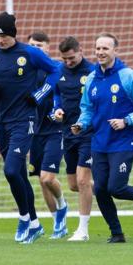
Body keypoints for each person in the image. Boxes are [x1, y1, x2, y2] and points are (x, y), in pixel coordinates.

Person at [0, 12, 59, 243]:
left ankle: (24, 217)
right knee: (19, 176)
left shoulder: (30, 53)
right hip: (1, 122)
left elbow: (55, 70)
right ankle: (34, 224)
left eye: (3, 35)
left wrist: (40, 93)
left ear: (12, 34)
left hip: (24, 120)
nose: (0, 40)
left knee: (11, 170)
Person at [72, 33, 133, 243]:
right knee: (100, 189)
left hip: (123, 141)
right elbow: (87, 108)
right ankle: (116, 233)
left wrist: (126, 121)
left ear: (115, 51)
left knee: (116, 188)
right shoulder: (91, 78)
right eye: (98, 48)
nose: (100, 52)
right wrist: (81, 124)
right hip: (99, 142)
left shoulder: (128, 76)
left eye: (105, 48)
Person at [52, 36, 95, 241]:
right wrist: (57, 109)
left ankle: (83, 230)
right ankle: (106, 190)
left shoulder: (93, 72)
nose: (68, 62)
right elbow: (56, 95)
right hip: (67, 133)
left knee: (83, 180)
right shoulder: (59, 71)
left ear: (80, 51)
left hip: (88, 133)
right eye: (64, 59)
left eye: (71, 58)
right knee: (74, 185)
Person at [26, 32, 68, 240]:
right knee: (42, 182)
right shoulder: (26, 71)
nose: (35, 48)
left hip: (54, 130)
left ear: (48, 48)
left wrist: (58, 112)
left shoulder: (57, 69)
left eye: (39, 45)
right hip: (34, 133)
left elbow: (63, 96)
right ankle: (57, 224)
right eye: (32, 45)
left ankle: (62, 206)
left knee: (48, 177)